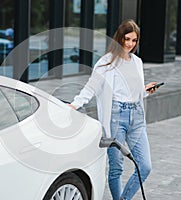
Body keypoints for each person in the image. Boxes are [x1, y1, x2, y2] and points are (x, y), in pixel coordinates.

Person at [69, 19, 158, 200]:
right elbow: (91, 87)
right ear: (119, 38)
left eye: (134, 40)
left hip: (137, 117)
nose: (130, 44)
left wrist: (145, 91)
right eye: (127, 39)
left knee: (145, 166)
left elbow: (133, 92)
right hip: (116, 117)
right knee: (116, 167)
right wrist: (75, 104)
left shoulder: (137, 62)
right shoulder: (106, 62)